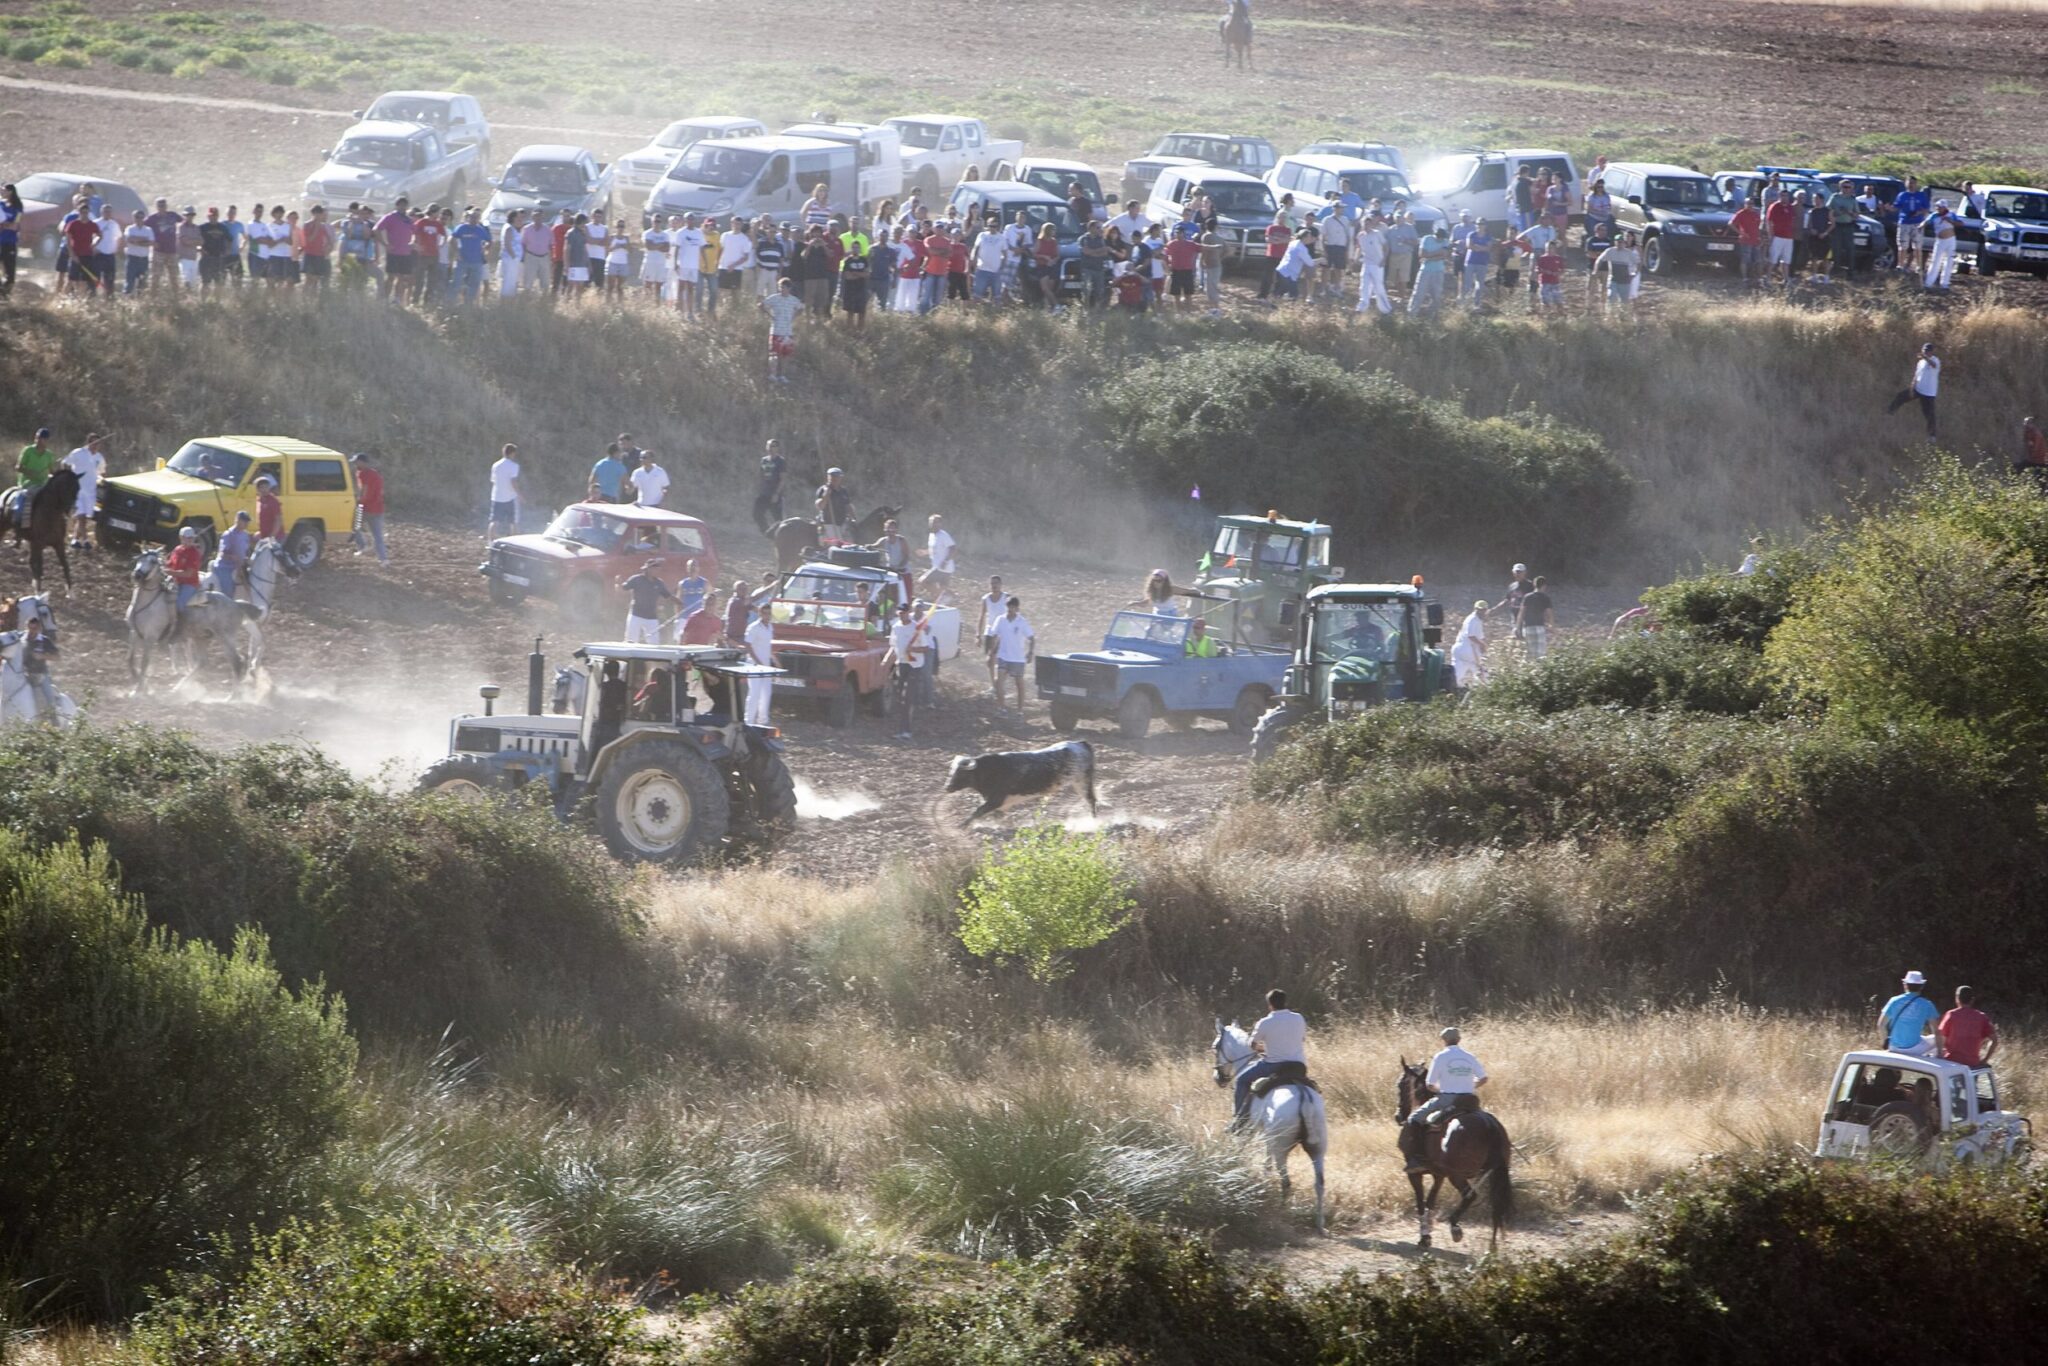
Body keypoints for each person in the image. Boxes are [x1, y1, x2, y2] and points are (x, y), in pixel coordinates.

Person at [1403, 1026, 1488, 1167]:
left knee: (1414, 1118)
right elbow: (1484, 1078)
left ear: (1444, 1040)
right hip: (1470, 1100)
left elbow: (1430, 1084)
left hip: (1447, 1099)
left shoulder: (1440, 1057)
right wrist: (1469, 1086)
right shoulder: (1469, 1057)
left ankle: (1417, 1159)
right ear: (1459, 1040)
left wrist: (1442, 1089)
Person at [1233, 989, 1307, 1123]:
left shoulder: (1265, 1022)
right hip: (1299, 1066)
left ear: (1270, 1005)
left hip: (1273, 1066)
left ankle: (1239, 1120)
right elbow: (1301, 1040)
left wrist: (1263, 1049)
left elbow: (1253, 1044)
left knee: (1241, 1080)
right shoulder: (1299, 1018)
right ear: (1285, 1002)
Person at [883, 600, 929, 740]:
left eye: (904, 612)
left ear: (909, 613)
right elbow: (893, 646)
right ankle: (904, 727)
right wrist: (886, 660)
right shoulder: (896, 627)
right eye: (900, 613)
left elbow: (926, 648)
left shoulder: (917, 628)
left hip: (914, 665)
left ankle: (906, 731)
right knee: (900, 697)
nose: (902, 615)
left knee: (906, 697)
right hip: (901, 664)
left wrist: (913, 649)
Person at [1885, 342, 1940, 440]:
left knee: (1929, 415)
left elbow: (1934, 366)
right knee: (1900, 396)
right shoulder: (1920, 362)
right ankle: (1889, 413)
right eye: (1924, 351)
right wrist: (1911, 387)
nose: (1925, 353)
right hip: (1918, 389)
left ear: (1931, 352)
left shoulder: (1935, 360)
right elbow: (1916, 375)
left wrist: (1925, 358)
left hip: (1929, 393)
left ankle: (1932, 437)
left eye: (1927, 351)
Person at [1880, 970, 1941, 1057]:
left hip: (1894, 1048)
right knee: (1936, 1038)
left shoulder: (1894, 1001)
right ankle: (1931, 1061)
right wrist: (1940, 1052)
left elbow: (1881, 1025)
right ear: (1921, 986)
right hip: (1915, 1049)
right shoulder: (1927, 1004)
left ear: (1905, 985)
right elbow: (1936, 1031)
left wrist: (1886, 1045)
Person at [990, 595, 1034, 712]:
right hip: (1003, 656)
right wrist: (993, 650)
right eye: (1009, 607)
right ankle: (1001, 707)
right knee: (999, 682)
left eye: (1013, 607)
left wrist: (1030, 652)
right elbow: (995, 635)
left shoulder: (1022, 622)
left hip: (1017, 658)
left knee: (1019, 684)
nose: (1010, 610)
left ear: (1017, 608)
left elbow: (1031, 637)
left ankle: (1020, 710)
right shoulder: (1000, 619)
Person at [62, 434, 104, 551]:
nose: (95, 446)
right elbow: (65, 463)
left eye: (98, 443)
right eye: (93, 443)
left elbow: (102, 472)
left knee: (85, 517)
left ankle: (75, 540)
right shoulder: (78, 453)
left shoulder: (99, 458)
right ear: (88, 442)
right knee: (80, 514)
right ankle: (85, 540)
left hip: (91, 491)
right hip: (78, 489)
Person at [1937, 985, 1997, 1067]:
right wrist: (1984, 1060)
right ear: (1972, 1000)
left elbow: (1940, 1037)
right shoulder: (1982, 1017)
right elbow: (1994, 1040)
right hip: (1972, 1065)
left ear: (1957, 999)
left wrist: (1940, 1056)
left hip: (1951, 1063)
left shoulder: (1951, 1015)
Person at [618, 560, 676, 644]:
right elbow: (623, 588)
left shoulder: (659, 583)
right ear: (647, 569)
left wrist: (680, 603)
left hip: (651, 617)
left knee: (654, 643)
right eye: (654, 568)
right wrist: (618, 583)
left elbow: (668, 596)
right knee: (631, 641)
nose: (656, 571)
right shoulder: (636, 579)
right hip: (636, 615)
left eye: (657, 569)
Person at [349, 453, 388, 563]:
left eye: (357, 462)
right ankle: (383, 559)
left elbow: (364, 491)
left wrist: (357, 502)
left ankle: (363, 547)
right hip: (376, 508)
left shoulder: (365, 474)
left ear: (363, 462)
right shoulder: (373, 474)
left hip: (367, 508)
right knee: (376, 535)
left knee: (356, 527)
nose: (355, 464)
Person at [763, 276, 803, 384]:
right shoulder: (774, 298)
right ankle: (772, 374)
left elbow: (801, 308)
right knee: (774, 354)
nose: (781, 289)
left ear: (789, 288)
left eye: (784, 287)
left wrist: (794, 317)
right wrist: (770, 315)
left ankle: (782, 375)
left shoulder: (793, 300)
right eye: (780, 287)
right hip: (776, 330)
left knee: (785, 355)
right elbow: (762, 305)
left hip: (787, 332)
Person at [744, 600, 776, 726]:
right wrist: (758, 662)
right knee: (754, 694)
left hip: (766, 666)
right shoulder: (753, 627)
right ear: (760, 613)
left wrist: (775, 661)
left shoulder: (770, 627)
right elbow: (748, 645)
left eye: (769, 613)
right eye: (764, 613)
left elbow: (767, 646)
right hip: (754, 666)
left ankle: (762, 722)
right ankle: (749, 722)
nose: (767, 616)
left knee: (766, 694)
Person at [212, 510, 254, 598]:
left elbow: (246, 551)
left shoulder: (245, 535)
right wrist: (232, 557)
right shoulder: (228, 534)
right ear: (237, 520)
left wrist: (246, 559)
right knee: (228, 591)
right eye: (244, 521)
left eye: (247, 521)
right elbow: (222, 554)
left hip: (240, 566)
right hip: (225, 567)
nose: (246, 524)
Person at [592, 658, 628, 752]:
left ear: (607, 672)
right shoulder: (624, 686)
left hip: (606, 722)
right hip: (619, 721)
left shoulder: (605, 687)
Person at [976, 573, 1006, 685]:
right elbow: (982, 616)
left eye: (996, 583)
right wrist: (978, 635)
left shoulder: (1006, 597)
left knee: (1001, 659)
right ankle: (994, 684)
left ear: (1001, 584)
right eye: (992, 583)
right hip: (990, 631)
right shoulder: (986, 599)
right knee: (990, 660)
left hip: (1003, 632)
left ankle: (999, 683)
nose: (994, 585)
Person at [488, 443, 521, 541]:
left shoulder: (495, 465)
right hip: (510, 497)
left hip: (497, 496)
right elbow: (513, 481)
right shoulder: (514, 466)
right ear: (512, 453)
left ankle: (491, 541)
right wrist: (519, 494)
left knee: (494, 521)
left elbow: (493, 480)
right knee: (513, 521)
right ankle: (514, 541)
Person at [919, 514, 957, 598]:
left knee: (923, 581)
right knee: (936, 594)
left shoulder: (943, 535)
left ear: (940, 524)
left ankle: (946, 594)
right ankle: (945, 595)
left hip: (943, 568)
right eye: (932, 522)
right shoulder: (932, 535)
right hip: (937, 567)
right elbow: (935, 550)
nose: (934, 524)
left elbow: (953, 548)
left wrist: (945, 561)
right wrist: (925, 552)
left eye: (936, 522)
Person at [1923, 200, 1958, 290]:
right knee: (1935, 261)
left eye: (1940, 207)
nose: (1938, 209)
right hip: (1940, 240)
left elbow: (1960, 223)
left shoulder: (1951, 215)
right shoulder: (1934, 216)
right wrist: (1920, 226)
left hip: (1951, 240)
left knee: (1949, 262)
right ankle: (1929, 283)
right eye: (1937, 207)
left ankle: (1945, 283)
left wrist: (1950, 221)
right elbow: (1926, 221)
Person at [1452, 600, 1487, 688]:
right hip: (1466, 648)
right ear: (1475, 609)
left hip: (1464, 649)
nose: (1482, 611)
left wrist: (1482, 645)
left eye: (1484, 610)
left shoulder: (1477, 620)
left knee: (1458, 673)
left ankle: (1459, 688)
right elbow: (1471, 636)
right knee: (1480, 671)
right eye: (1480, 609)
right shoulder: (1473, 620)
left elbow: (1480, 636)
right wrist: (1482, 645)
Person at [753, 440, 787, 533]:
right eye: (770, 446)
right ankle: (768, 533)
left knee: (778, 520)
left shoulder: (780, 461)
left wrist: (776, 493)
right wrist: (759, 487)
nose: (772, 448)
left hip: (774, 494)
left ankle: (781, 537)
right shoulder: (764, 460)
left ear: (777, 448)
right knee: (757, 514)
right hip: (764, 493)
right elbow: (760, 475)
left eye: (774, 446)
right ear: (766, 448)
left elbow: (783, 479)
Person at [1518, 576, 1554, 661]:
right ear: (1544, 586)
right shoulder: (1546, 598)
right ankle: (1538, 671)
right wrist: (1552, 627)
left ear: (1534, 585)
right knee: (1540, 654)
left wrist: (1518, 627)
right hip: (1539, 627)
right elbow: (1550, 614)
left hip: (1527, 627)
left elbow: (1521, 613)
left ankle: (1526, 671)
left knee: (1528, 652)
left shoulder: (1527, 597)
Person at [816, 467, 853, 541]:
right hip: (829, 523)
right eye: (832, 476)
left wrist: (853, 517)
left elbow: (848, 505)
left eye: (837, 477)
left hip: (842, 522)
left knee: (850, 542)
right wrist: (826, 495)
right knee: (837, 543)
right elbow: (820, 506)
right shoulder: (823, 490)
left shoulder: (843, 491)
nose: (835, 479)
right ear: (828, 477)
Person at [253, 473, 283, 545]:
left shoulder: (273, 501)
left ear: (269, 488)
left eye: (266, 487)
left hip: (275, 538)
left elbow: (278, 521)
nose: (264, 489)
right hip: (264, 536)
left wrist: (271, 537)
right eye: (262, 487)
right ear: (258, 489)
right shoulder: (259, 500)